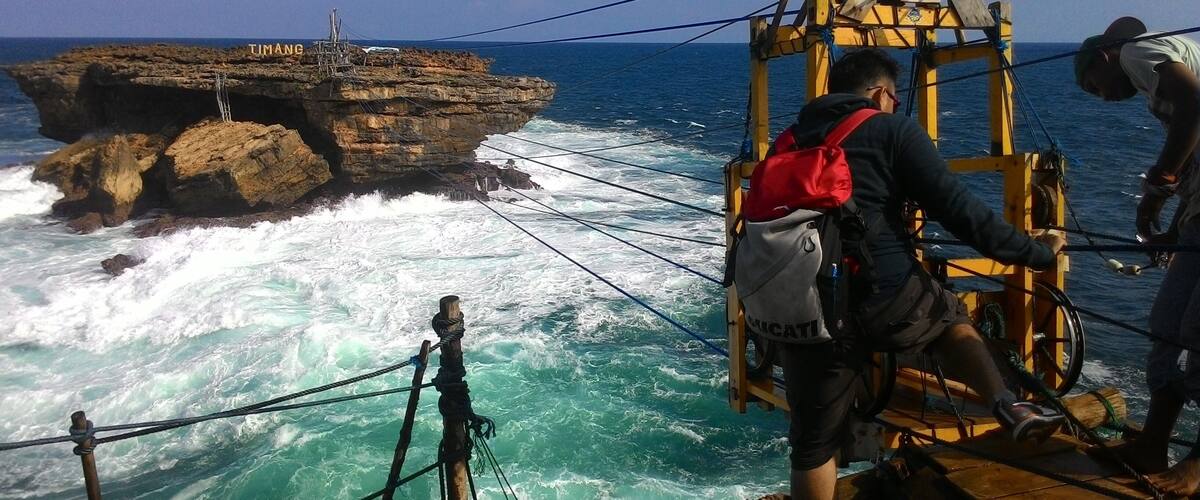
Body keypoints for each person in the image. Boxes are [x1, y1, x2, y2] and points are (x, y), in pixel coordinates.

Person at [774, 48, 1068, 500]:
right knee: (948, 318)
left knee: (813, 445)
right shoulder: (892, 130)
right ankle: (1007, 405)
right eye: (893, 98)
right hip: (882, 297)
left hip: (800, 303)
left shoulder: (788, 141)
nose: (895, 106)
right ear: (879, 93)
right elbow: (959, 211)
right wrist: (1034, 253)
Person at [1075, 17, 1200, 497]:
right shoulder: (1158, 67)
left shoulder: (1133, 51)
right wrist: (1173, 224)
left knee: (1197, 330)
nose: (1103, 98)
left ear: (1105, 58)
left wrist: (1157, 187)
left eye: (1093, 86)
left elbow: (1193, 104)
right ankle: (1151, 444)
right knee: (1167, 325)